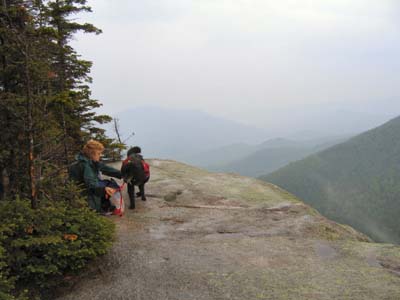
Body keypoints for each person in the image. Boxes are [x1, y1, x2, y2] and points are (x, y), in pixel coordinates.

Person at [69, 140, 122, 213]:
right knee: (110, 186)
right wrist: (104, 190)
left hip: (79, 195)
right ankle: (102, 208)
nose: (100, 155)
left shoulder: (89, 161)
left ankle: (105, 205)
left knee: (107, 183)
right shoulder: (86, 165)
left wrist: (122, 174)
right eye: (99, 153)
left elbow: (105, 168)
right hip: (85, 199)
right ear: (91, 154)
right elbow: (91, 185)